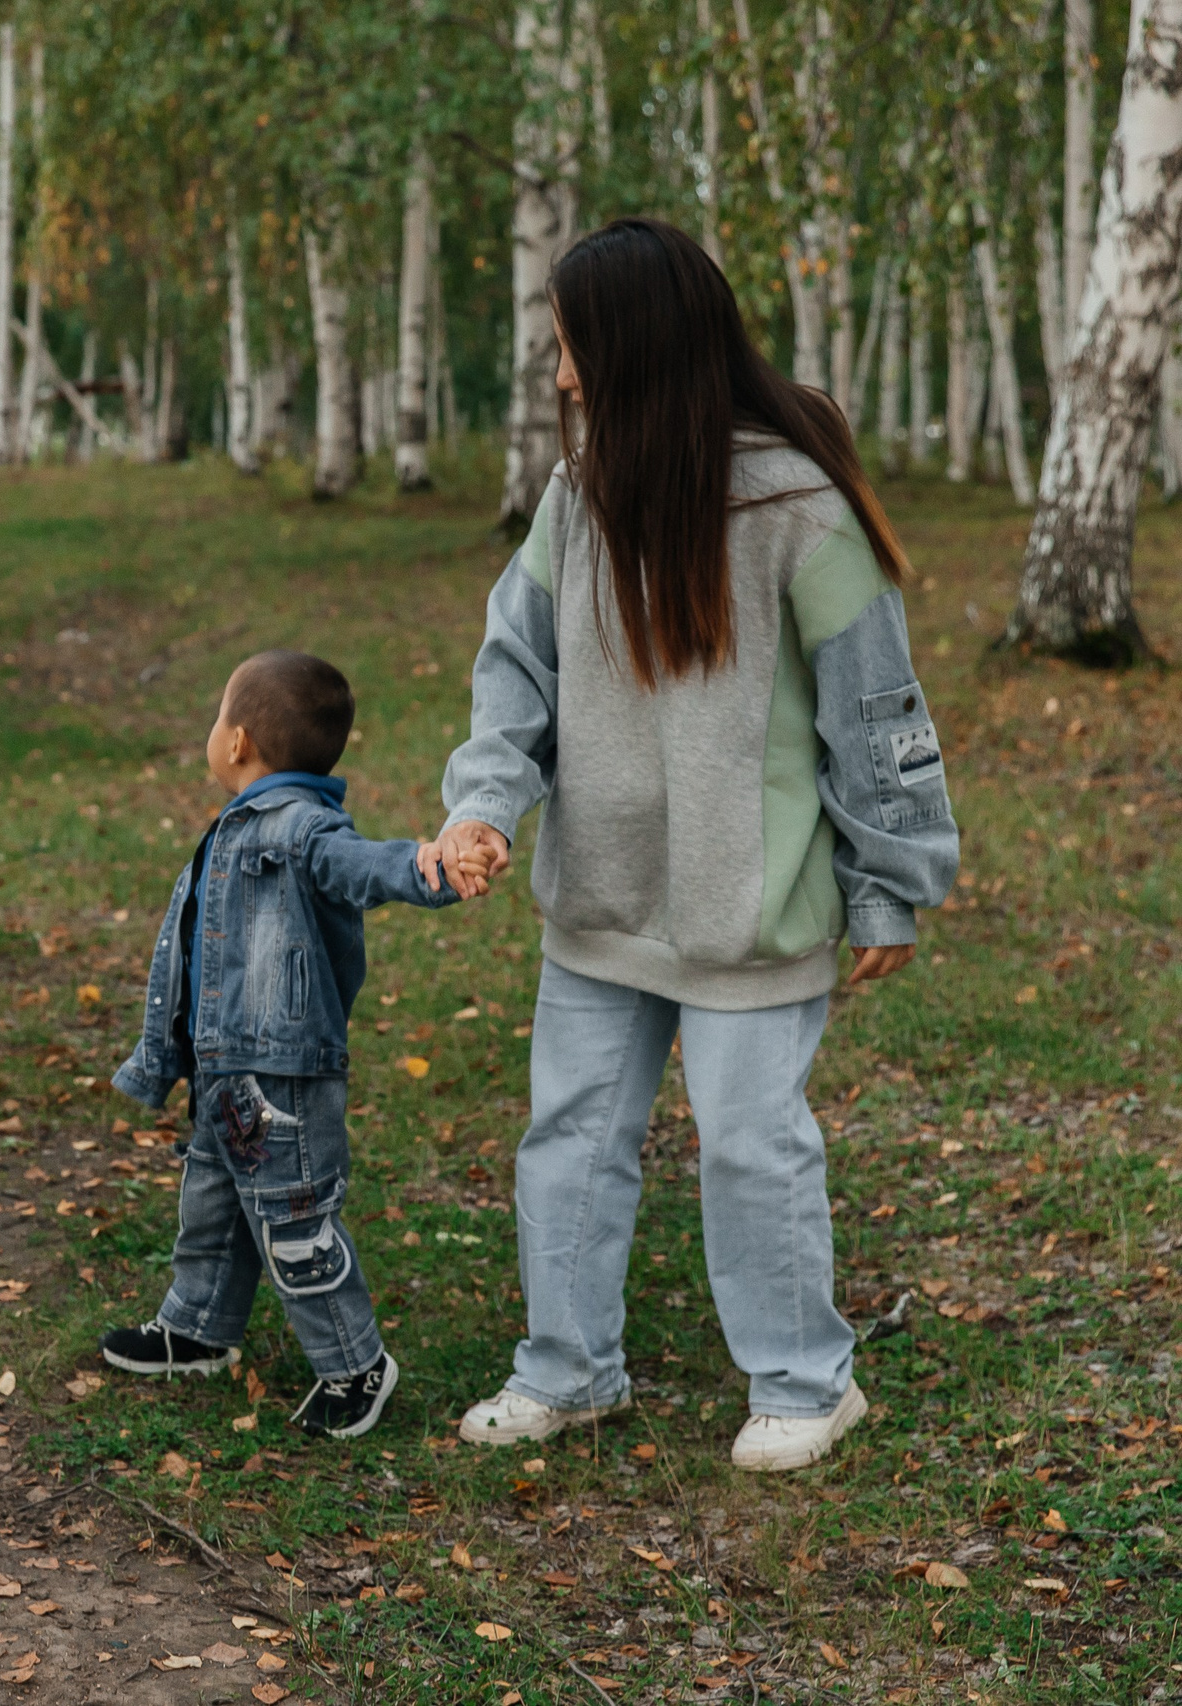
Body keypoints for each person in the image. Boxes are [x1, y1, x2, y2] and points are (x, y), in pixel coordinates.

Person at [433, 217, 958, 1472]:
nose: (561, 377)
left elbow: (875, 707)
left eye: (573, 348)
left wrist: (889, 886)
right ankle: (566, 1370)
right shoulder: (576, 498)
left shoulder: (793, 505)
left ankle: (803, 1381)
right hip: (605, 899)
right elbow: (516, 676)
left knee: (752, 1143)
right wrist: (483, 806)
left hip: (752, 905)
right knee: (567, 1131)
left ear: (638, 349)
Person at [103, 649, 457, 1439]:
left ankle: (354, 1365)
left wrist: (427, 866)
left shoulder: (301, 828)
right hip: (226, 1069)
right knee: (215, 1204)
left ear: (235, 743)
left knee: (294, 1222)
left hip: (282, 1074)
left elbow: (361, 865)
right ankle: (198, 1326)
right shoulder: (238, 826)